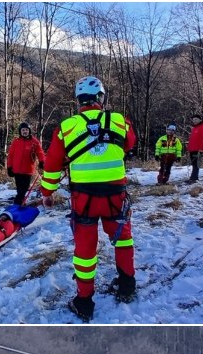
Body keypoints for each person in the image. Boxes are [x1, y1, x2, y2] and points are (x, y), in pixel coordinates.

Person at [40, 76, 137, 321]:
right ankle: (127, 284)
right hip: (116, 196)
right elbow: (129, 144)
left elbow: (51, 165)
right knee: (123, 240)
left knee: (85, 250)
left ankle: (84, 301)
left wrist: (47, 193)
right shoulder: (118, 120)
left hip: (84, 200)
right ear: (101, 98)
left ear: (78, 101)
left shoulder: (66, 127)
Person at [6, 122, 46, 204]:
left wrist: (42, 161)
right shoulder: (16, 142)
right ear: (20, 131)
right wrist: (9, 167)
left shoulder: (34, 142)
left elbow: (40, 152)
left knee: (24, 189)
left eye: (26, 130)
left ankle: (18, 203)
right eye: (23, 130)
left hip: (28, 170)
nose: (25, 131)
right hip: (16, 170)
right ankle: (20, 203)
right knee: (19, 189)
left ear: (29, 131)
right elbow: (10, 155)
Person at [187, 113, 203, 183]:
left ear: (200, 119)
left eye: (196, 119)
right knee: (194, 163)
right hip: (192, 148)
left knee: (196, 164)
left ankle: (194, 178)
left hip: (198, 149)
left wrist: (202, 148)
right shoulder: (194, 127)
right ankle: (193, 177)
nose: (194, 121)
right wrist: (189, 148)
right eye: (193, 119)